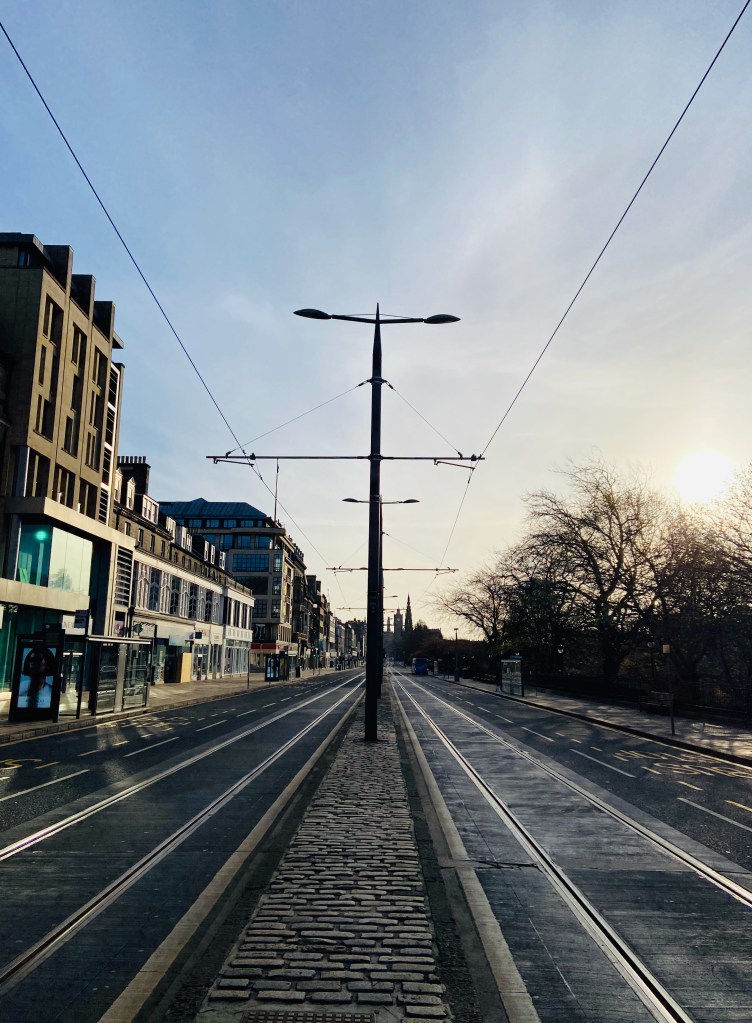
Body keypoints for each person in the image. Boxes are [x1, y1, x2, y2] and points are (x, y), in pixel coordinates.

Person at [18, 643, 56, 709]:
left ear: (47, 664)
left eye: (38, 660)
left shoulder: (51, 691)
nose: (33, 663)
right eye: (31, 660)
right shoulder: (21, 687)